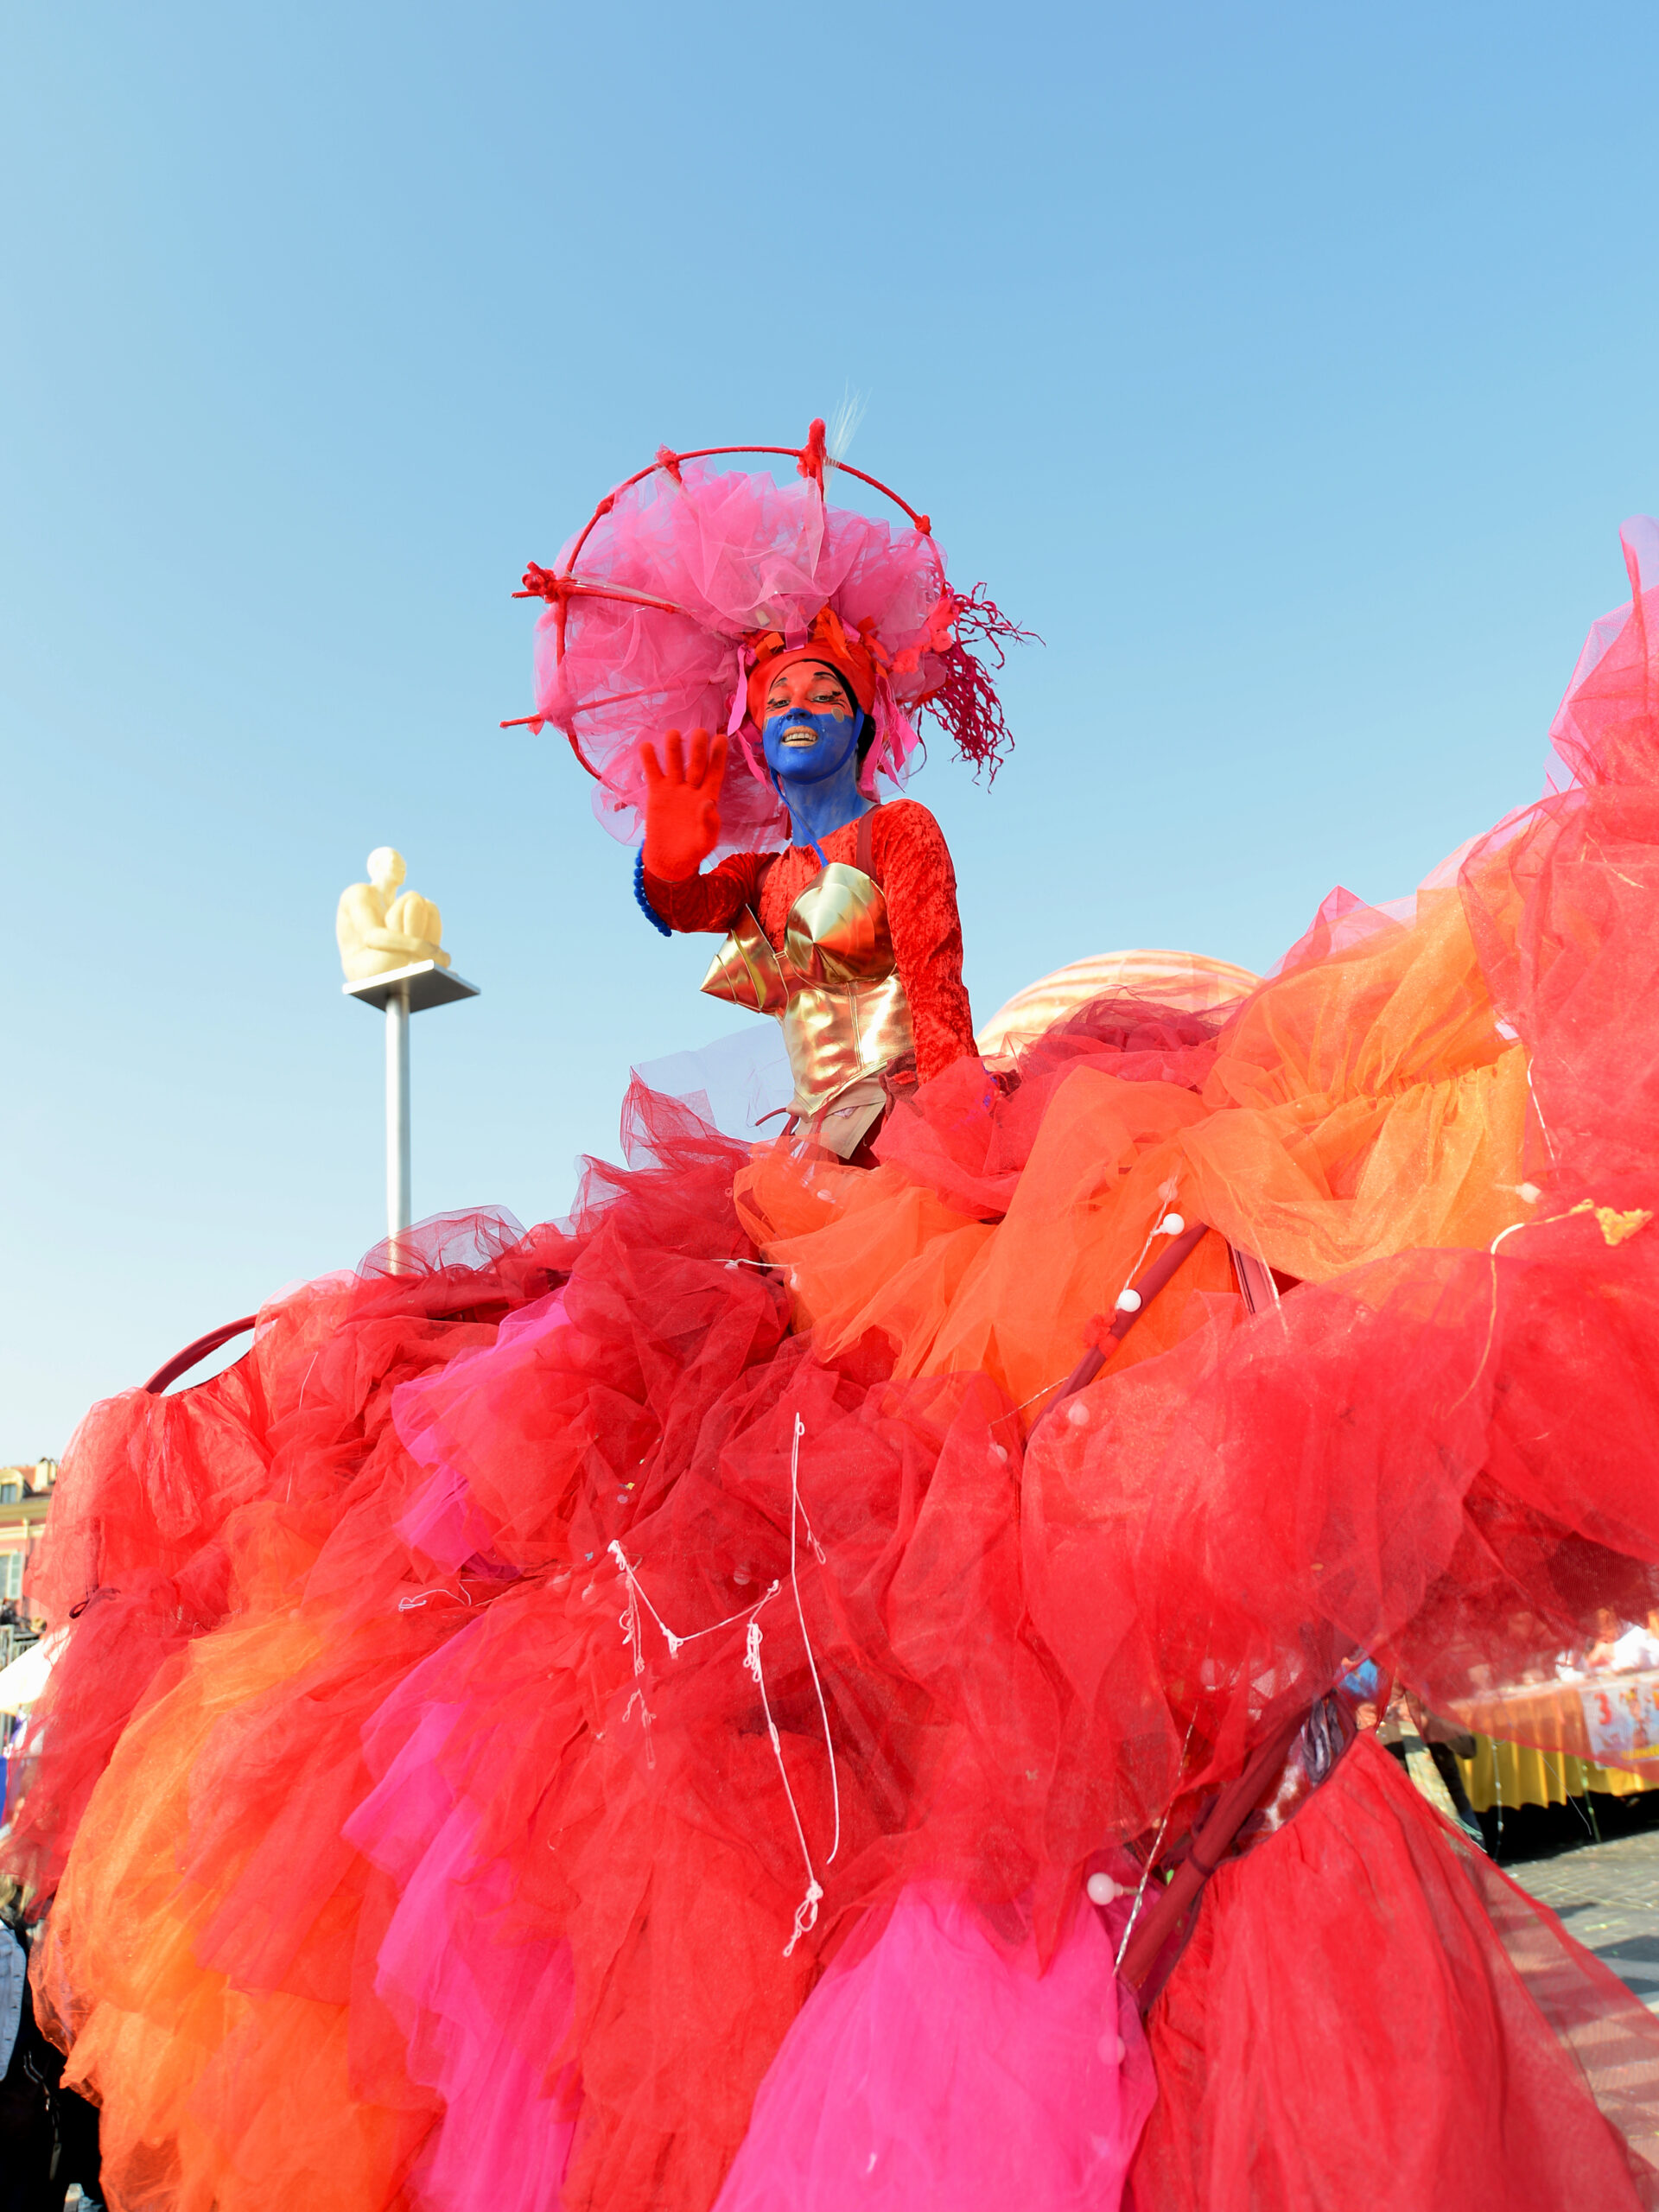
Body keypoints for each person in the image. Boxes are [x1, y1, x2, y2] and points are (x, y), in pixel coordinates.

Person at [10, 438, 1659, 2212]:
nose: (793, 716)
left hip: (901, 1145)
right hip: (799, 1166)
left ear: (868, 714)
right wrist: (662, 837)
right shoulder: (773, 865)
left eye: (821, 691)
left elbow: (930, 996)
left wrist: (970, 1151)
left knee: (928, 1459)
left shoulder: (899, 836)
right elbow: (692, 902)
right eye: (770, 699)